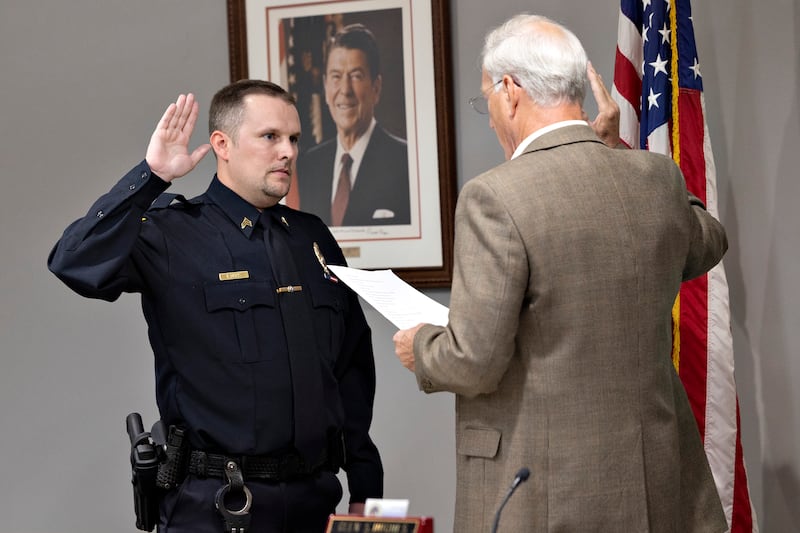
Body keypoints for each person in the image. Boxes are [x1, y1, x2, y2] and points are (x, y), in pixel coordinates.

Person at [392, 14, 728, 533]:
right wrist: (617, 151)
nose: (489, 117)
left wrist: (422, 349)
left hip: (544, 496)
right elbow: (709, 239)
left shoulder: (494, 196)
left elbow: (474, 361)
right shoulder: (656, 179)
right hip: (658, 487)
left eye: (487, 100)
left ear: (510, 91)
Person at [48, 80, 383, 532]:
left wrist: (367, 499)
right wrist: (152, 176)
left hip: (316, 502)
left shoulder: (312, 238)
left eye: (294, 139)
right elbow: (73, 261)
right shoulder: (171, 232)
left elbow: (351, 371)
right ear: (222, 144)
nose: (287, 151)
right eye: (270, 137)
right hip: (218, 506)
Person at [297, 23, 410, 227]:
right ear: (325, 86)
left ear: (376, 88)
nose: (345, 90)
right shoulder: (308, 165)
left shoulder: (406, 162)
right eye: (336, 77)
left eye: (356, 76)